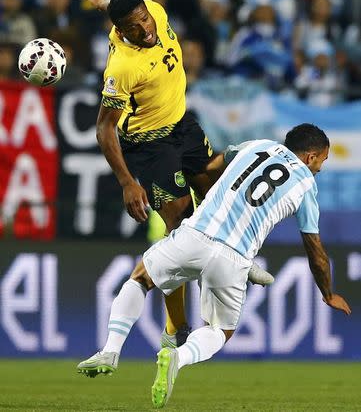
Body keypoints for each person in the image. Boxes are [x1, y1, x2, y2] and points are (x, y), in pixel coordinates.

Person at [77, 123, 351, 409]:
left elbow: (210, 166)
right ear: (310, 157)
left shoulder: (255, 145)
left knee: (140, 278)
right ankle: (178, 358)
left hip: (195, 235)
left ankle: (110, 350)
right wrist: (328, 293)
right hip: (235, 258)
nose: (321, 167)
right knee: (221, 330)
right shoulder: (306, 184)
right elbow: (315, 250)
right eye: (323, 160)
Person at [76, 0, 273, 347]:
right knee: (181, 227)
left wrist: (101, 1)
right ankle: (176, 329)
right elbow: (104, 129)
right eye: (134, 27)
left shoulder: (152, 8)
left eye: (144, 20)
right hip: (150, 145)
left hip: (182, 124)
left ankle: (240, 267)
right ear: (121, 32)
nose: (145, 29)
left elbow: (121, 7)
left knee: (223, 201)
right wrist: (126, 182)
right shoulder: (122, 67)